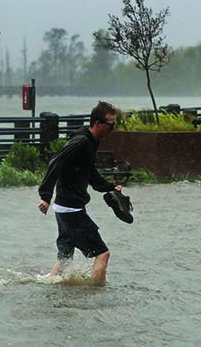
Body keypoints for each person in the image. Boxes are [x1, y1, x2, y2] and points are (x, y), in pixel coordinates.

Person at [37, 101, 123, 286]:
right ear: (98, 124)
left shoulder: (92, 141)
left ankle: (48, 284)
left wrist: (109, 186)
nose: (113, 129)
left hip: (64, 208)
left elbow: (89, 171)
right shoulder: (81, 141)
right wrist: (45, 196)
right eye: (111, 125)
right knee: (102, 254)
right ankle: (97, 295)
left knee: (65, 257)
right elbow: (55, 162)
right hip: (71, 209)